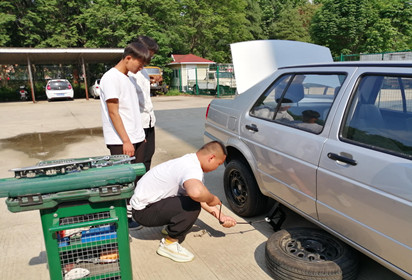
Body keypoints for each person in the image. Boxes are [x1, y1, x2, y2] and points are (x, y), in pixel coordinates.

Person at [130, 141, 237, 262]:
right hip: (143, 212)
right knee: (192, 206)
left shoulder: (189, 161)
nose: (216, 168)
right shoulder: (192, 169)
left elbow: (199, 197)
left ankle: (171, 226)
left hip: (146, 207)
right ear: (211, 157)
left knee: (191, 201)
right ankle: (169, 244)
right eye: (218, 164)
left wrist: (221, 216)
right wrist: (212, 198)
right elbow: (196, 194)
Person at [99, 41, 151, 229]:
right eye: (139, 64)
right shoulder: (111, 78)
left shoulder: (127, 78)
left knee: (136, 178)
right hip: (121, 140)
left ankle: (133, 212)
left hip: (136, 137)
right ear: (128, 58)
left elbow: (131, 110)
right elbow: (114, 112)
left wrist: (139, 134)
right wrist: (126, 141)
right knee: (123, 180)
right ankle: (124, 218)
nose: (141, 68)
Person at [128, 35, 159, 172]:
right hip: (138, 123)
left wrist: (151, 80)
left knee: (148, 156)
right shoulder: (129, 73)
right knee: (137, 161)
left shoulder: (143, 71)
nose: (148, 60)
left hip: (149, 121)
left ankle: (144, 185)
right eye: (148, 56)